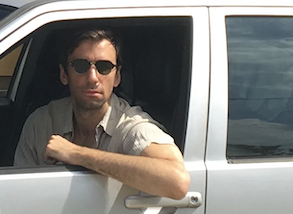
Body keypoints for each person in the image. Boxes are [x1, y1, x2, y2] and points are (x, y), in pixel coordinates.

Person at [14, 28, 191, 200]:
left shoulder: (131, 127)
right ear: (64, 74)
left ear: (117, 77)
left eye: (104, 67)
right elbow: (17, 196)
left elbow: (177, 181)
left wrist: (77, 154)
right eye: (81, 65)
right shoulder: (42, 122)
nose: (93, 77)